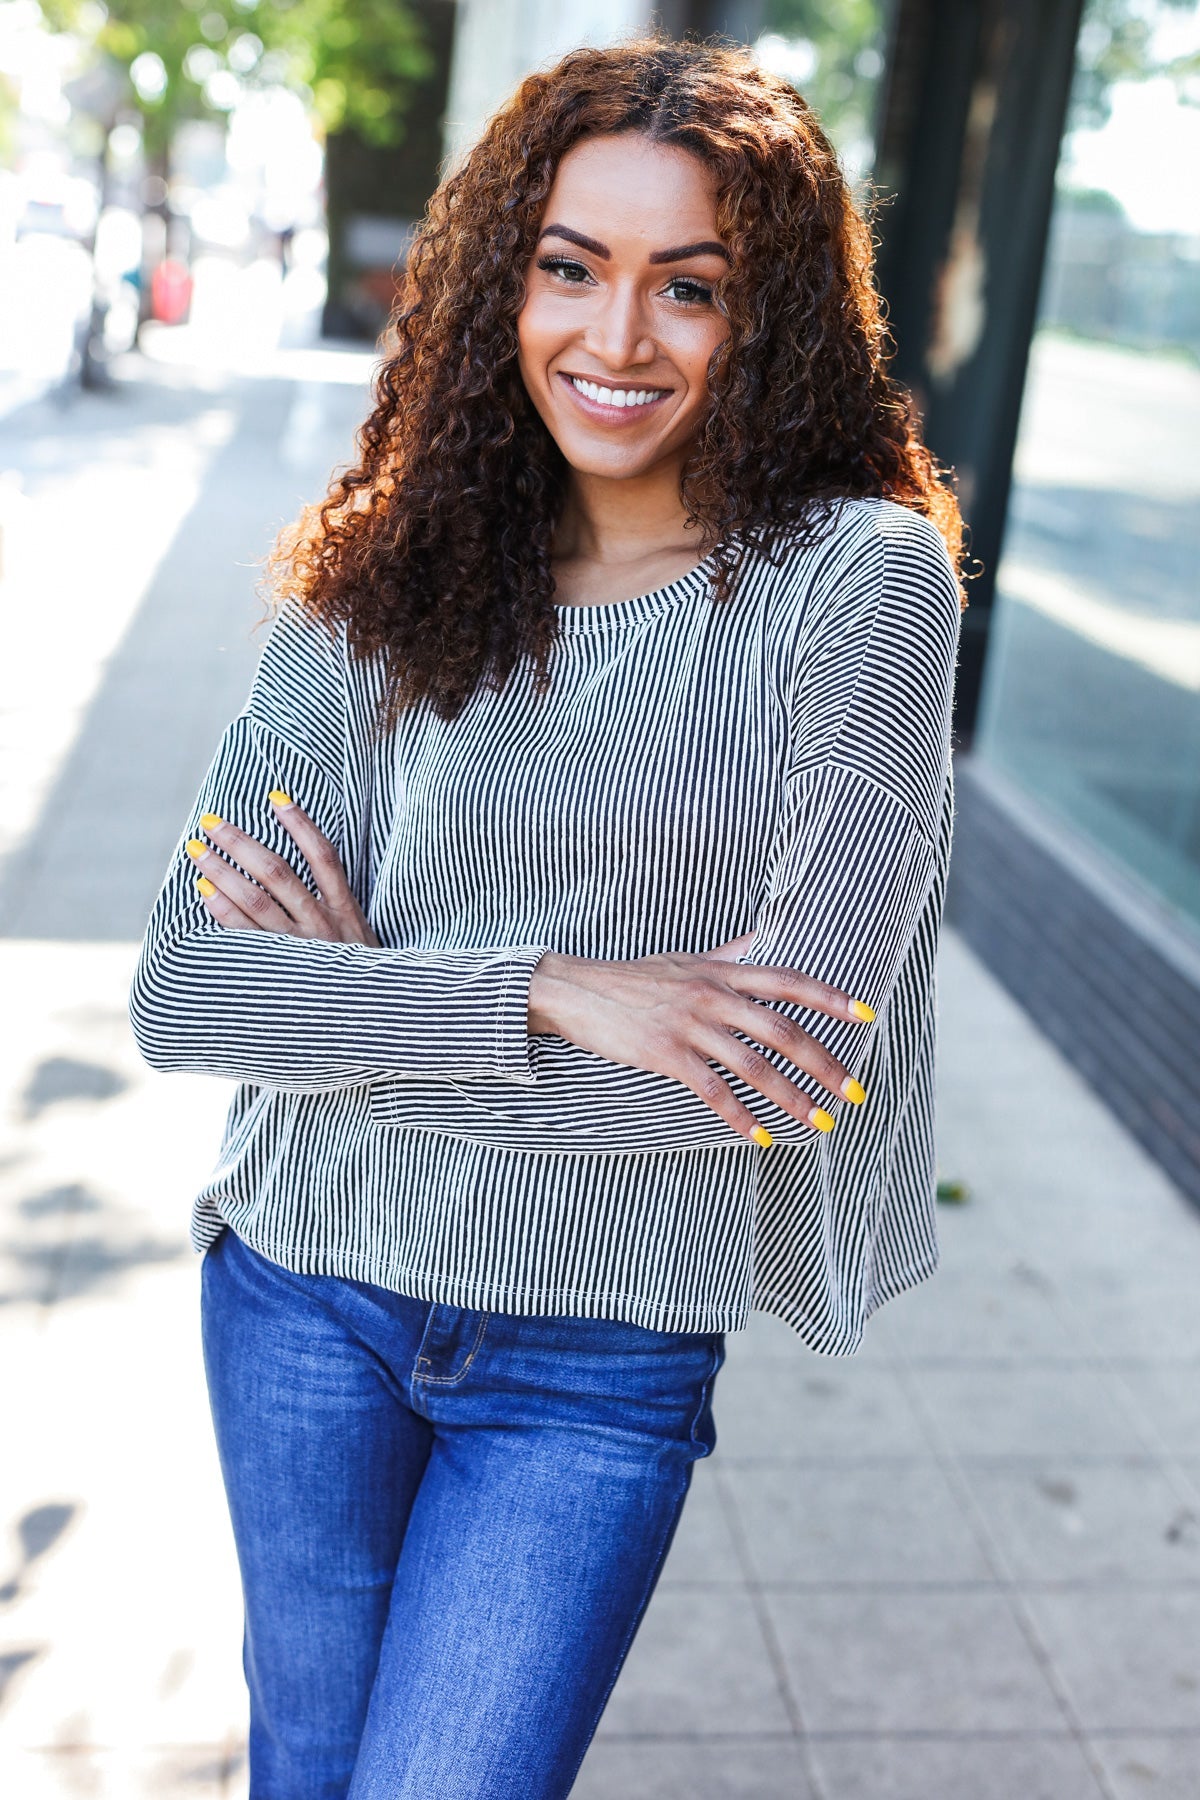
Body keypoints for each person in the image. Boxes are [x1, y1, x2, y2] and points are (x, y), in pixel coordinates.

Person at [131, 35, 965, 1800]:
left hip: (591, 1356)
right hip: (302, 1295)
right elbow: (189, 992)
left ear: (778, 313)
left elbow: (760, 1076)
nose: (617, 337)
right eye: (570, 268)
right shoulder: (386, 570)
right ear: (503, 273)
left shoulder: (855, 585)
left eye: (692, 287)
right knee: (305, 1771)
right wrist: (560, 994)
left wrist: (355, 1007)